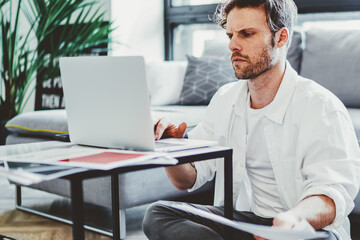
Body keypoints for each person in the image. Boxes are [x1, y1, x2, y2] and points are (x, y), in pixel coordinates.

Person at [142, 0, 360, 239]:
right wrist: (167, 148)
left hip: (305, 228)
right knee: (158, 214)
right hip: (246, 223)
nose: (233, 45)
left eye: (246, 34)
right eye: (230, 35)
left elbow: (332, 195)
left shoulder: (321, 107)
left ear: (281, 37)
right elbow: (188, 179)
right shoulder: (225, 99)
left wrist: (291, 219)